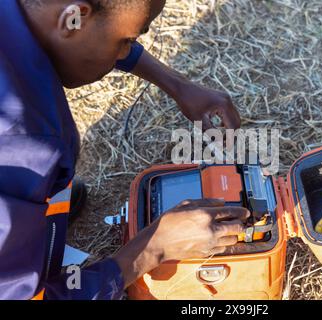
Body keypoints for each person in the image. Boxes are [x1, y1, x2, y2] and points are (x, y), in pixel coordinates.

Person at [0, 0, 249, 300]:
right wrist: (151, 249)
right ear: (73, 19)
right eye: (127, 41)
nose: (124, 52)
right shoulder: (24, 143)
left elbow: (96, 27)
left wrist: (177, 84)